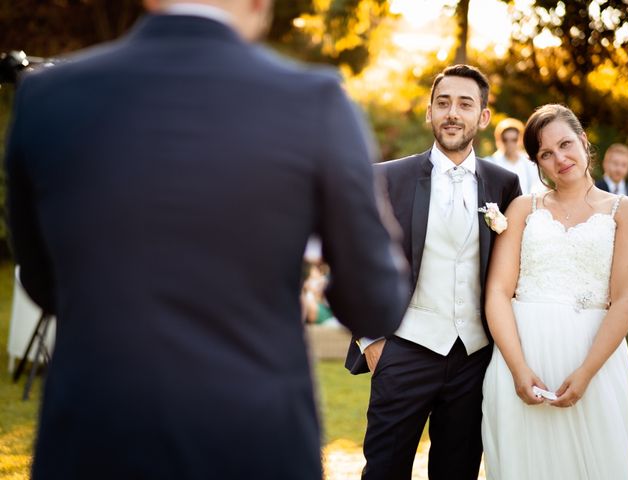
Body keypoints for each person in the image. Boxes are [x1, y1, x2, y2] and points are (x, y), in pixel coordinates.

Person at [4, 1, 409, 479]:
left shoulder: (46, 97)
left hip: (93, 437)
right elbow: (374, 303)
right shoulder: (315, 102)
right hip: (252, 440)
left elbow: (42, 282)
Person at [344, 65, 521, 480]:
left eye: (464, 103)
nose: (452, 113)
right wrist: (371, 340)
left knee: (457, 472)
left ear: (483, 116)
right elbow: (351, 255)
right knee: (384, 471)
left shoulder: (505, 185)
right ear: (429, 113)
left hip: (475, 358)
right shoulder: (386, 177)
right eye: (443, 103)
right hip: (404, 348)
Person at [482, 104, 628, 479]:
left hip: (595, 361)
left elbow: (627, 297)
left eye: (566, 144)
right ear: (537, 162)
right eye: (546, 154)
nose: (560, 159)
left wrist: (586, 373)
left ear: (584, 142)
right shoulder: (522, 208)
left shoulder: (626, 210)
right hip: (521, 358)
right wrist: (517, 369)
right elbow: (498, 292)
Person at [488, 117, 545, 194]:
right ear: (499, 140)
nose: (509, 144)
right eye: (505, 140)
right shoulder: (490, 163)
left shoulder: (530, 163)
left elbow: (539, 188)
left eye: (514, 140)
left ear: (520, 140)